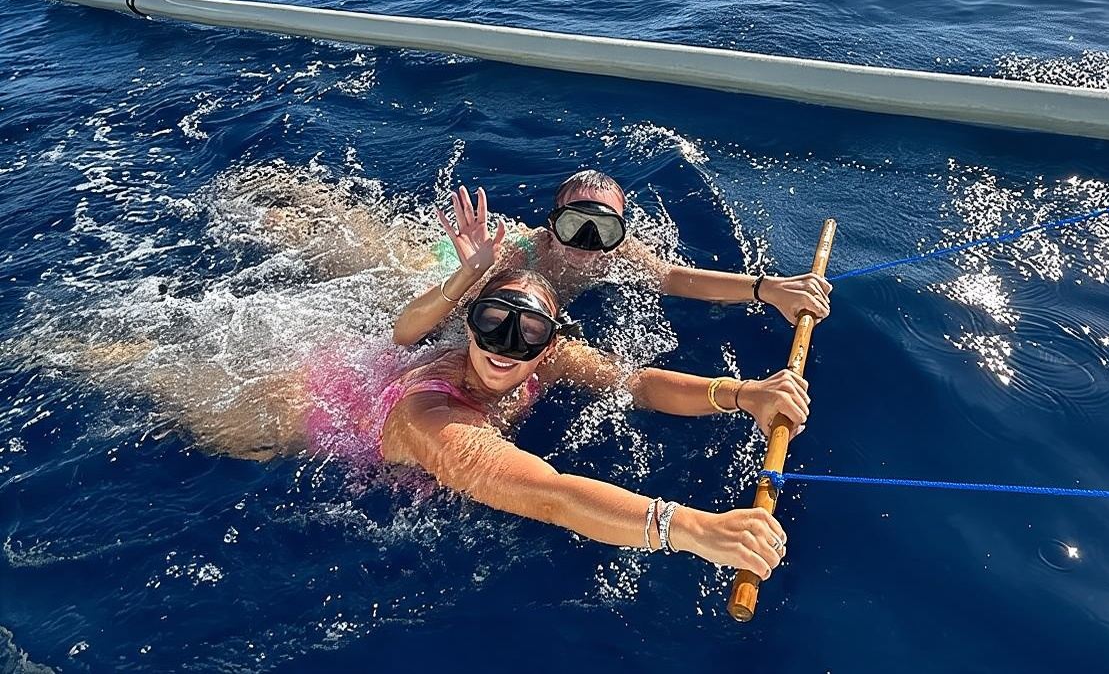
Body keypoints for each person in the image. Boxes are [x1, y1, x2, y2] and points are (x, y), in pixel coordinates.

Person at [74, 269, 812, 580]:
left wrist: (745, 393)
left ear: (548, 345)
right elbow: (548, 493)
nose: (502, 347)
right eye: (490, 324)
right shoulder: (434, 418)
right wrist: (689, 527)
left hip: (346, 369)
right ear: (468, 323)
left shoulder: (542, 357)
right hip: (276, 409)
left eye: (524, 335)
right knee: (127, 372)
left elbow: (639, 382)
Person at [393, 170, 832, 346]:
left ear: (620, 235)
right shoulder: (522, 253)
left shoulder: (618, 255)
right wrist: (474, 271)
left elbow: (677, 279)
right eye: (573, 226)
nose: (586, 243)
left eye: (602, 229)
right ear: (551, 226)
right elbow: (428, 322)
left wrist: (767, 289)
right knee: (372, 256)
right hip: (445, 267)